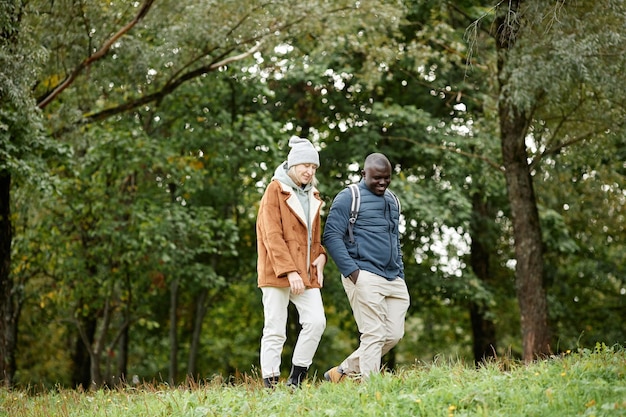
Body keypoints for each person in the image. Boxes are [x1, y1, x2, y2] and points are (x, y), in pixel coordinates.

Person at [322, 153, 410, 382]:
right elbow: (331, 236)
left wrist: (400, 271)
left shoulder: (393, 200)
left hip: (393, 277)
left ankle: (342, 372)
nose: (382, 183)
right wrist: (354, 273)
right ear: (364, 174)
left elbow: (394, 239)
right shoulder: (348, 197)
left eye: (387, 178)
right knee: (374, 334)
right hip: (364, 273)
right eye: (377, 178)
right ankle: (369, 390)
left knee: (393, 334)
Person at [256, 136, 327, 388]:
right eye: (305, 165)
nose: (309, 171)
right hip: (277, 271)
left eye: (313, 167)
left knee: (317, 321)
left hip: (306, 272)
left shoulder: (313, 195)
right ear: (293, 165)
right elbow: (271, 235)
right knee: (275, 328)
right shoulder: (275, 189)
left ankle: (296, 380)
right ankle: (270, 386)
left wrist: (321, 256)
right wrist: (290, 272)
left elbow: (314, 238)